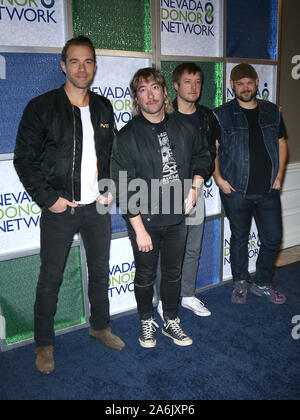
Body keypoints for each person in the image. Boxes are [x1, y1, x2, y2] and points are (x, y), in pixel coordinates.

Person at [14, 36, 125, 375]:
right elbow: (24, 160)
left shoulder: (104, 107)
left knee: (101, 272)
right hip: (60, 210)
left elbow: (115, 156)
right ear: (63, 66)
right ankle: (44, 344)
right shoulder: (42, 107)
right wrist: (50, 200)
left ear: (94, 66)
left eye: (88, 61)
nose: (82, 68)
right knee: (51, 278)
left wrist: (111, 188)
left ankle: (100, 326)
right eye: (74, 62)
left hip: (96, 209)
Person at [111, 67, 212, 348]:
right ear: (136, 98)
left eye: (154, 87)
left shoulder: (185, 126)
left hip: (177, 218)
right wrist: (139, 230)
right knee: (144, 275)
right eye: (142, 90)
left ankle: (170, 320)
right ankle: (146, 321)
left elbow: (204, 156)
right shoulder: (128, 136)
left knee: (173, 273)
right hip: (144, 221)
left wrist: (194, 187)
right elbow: (123, 185)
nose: (150, 95)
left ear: (165, 92)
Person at [213, 63, 288, 304]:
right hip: (235, 190)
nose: (245, 87)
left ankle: (263, 282)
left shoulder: (272, 112)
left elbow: (281, 143)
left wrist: (279, 175)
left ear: (256, 83)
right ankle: (241, 282)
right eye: (240, 83)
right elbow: (212, 150)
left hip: (268, 189)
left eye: (249, 83)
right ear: (232, 85)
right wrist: (218, 178)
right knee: (239, 238)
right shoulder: (221, 114)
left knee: (273, 238)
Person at [155, 63, 218, 319]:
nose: (194, 87)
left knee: (193, 246)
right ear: (177, 86)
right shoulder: (163, 116)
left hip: (196, 186)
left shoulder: (206, 116)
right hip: (168, 191)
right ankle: (163, 299)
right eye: (188, 82)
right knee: (168, 249)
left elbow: (212, 150)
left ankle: (188, 294)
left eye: (198, 82)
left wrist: (198, 183)